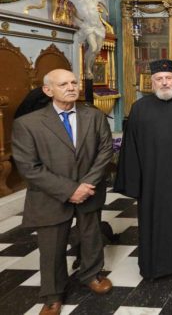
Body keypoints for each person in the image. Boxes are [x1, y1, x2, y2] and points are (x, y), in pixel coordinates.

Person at [12, 69, 113, 315]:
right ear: (48, 90)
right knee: (51, 246)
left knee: (90, 236)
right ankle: (52, 295)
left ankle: (91, 275)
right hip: (50, 195)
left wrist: (86, 185)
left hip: (89, 190)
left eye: (74, 82)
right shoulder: (28, 123)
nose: (71, 87)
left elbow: (105, 150)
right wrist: (70, 189)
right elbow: (29, 167)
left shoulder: (94, 116)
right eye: (63, 84)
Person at [114, 59, 172, 279]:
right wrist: (136, 181)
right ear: (152, 82)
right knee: (151, 223)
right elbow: (131, 147)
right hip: (151, 182)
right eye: (159, 79)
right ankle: (152, 265)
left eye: (169, 78)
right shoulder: (139, 109)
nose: (165, 82)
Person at [42, 0, 125, 80]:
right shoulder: (75, 0)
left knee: (97, 50)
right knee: (93, 47)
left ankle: (90, 66)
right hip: (88, 27)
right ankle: (87, 69)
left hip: (99, 27)